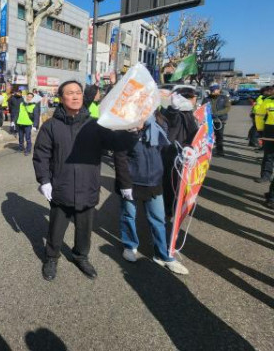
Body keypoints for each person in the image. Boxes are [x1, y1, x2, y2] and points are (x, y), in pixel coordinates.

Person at [33, 80, 137, 281]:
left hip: (87, 186)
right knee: (56, 228)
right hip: (61, 188)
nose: (75, 96)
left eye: (78, 93)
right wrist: (44, 180)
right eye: (70, 93)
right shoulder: (51, 126)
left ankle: (81, 256)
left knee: (84, 229)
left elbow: (117, 143)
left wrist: (132, 130)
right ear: (61, 98)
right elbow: (41, 155)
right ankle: (52, 257)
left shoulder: (95, 125)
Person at [114, 111, 189, 274]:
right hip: (131, 183)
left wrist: (184, 154)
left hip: (154, 182)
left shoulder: (158, 127)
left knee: (158, 220)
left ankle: (162, 254)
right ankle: (129, 246)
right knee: (128, 215)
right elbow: (120, 161)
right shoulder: (122, 133)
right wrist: (125, 184)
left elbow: (167, 150)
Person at [161, 87, 199, 217]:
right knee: (171, 184)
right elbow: (171, 119)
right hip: (173, 154)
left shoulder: (188, 112)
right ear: (186, 99)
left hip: (185, 154)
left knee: (182, 183)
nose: (195, 99)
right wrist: (173, 108)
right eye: (193, 97)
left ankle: (179, 206)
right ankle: (169, 210)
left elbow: (193, 133)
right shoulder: (177, 112)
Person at [254, 90, 274, 184]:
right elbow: (259, 116)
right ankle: (265, 176)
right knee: (268, 155)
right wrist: (260, 129)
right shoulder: (268, 101)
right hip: (270, 130)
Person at [206, 84, 231, 156]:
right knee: (208, 137)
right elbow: (203, 108)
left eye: (215, 90)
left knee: (219, 136)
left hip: (220, 120)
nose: (213, 92)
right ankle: (207, 152)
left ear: (218, 90)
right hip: (209, 120)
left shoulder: (224, 98)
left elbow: (227, 108)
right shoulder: (206, 99)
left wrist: (218, 113)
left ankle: (220, 151)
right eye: (212, 91)